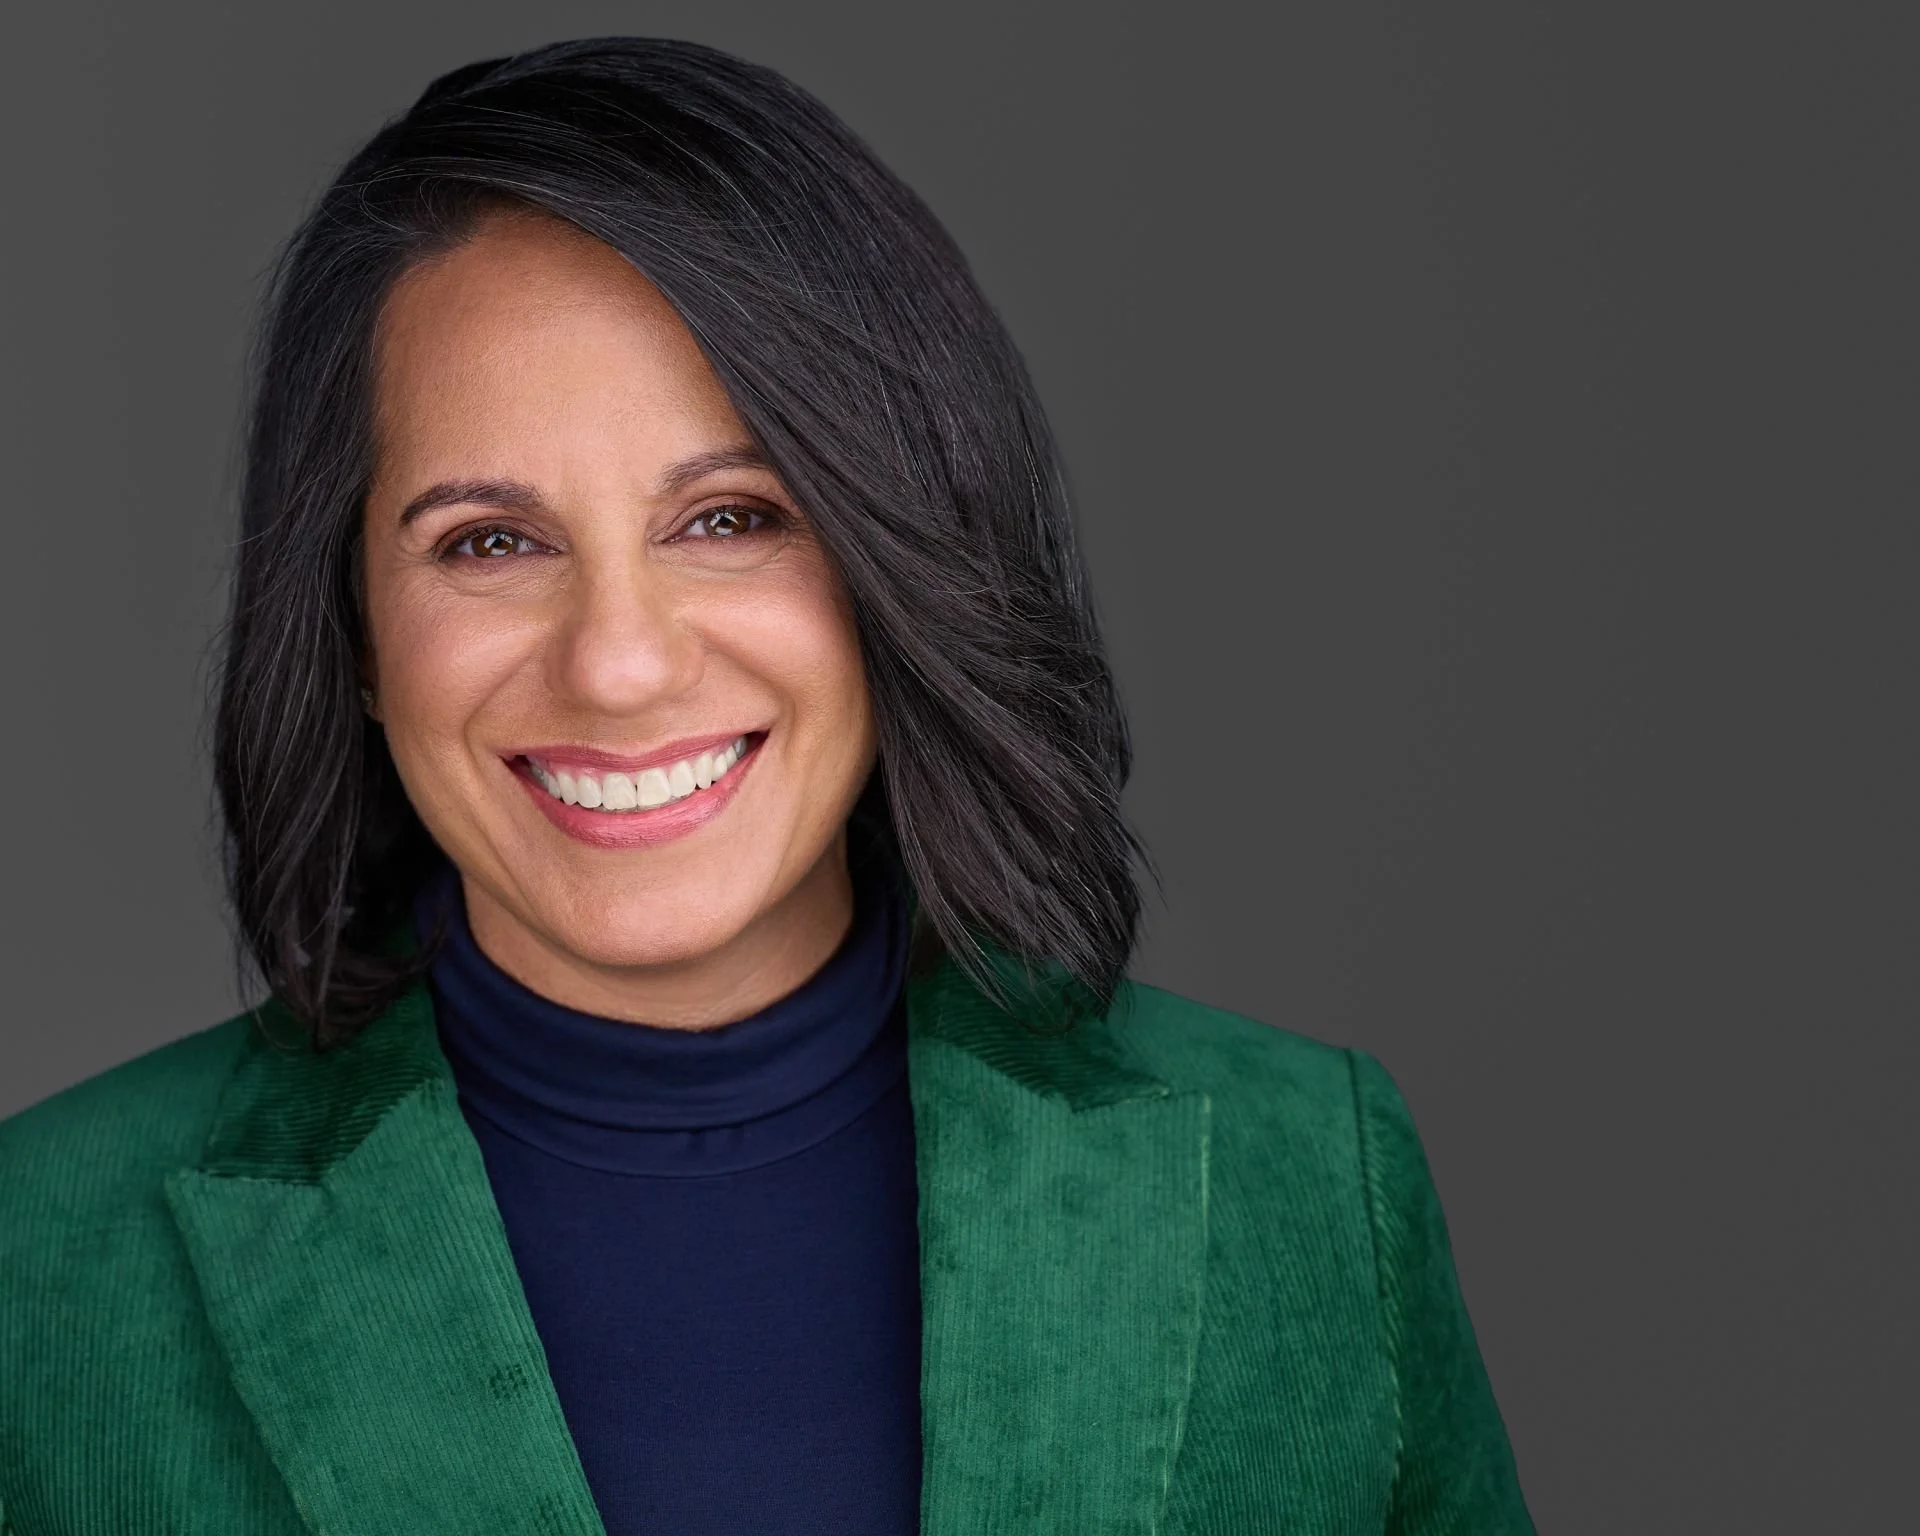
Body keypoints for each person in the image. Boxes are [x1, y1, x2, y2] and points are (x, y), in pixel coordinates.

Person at [0, 36, 1534, 1535]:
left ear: (899, 557)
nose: (617, 664)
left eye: (731, 518)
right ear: (348, 626)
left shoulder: (1307, 1182)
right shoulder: (43, 1262)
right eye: (487, 542)